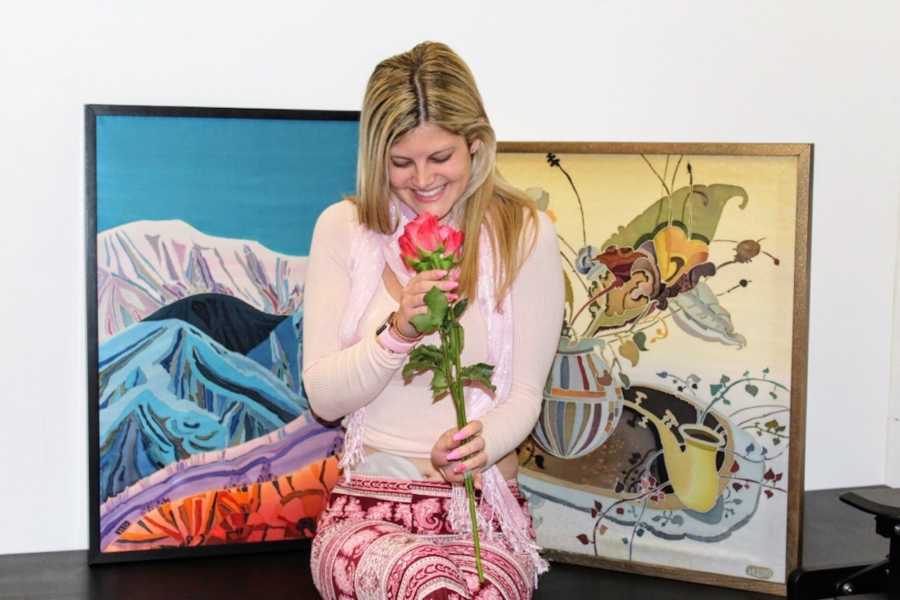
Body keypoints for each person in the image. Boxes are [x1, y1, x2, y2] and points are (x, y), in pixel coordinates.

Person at [303, 41, 564, 600]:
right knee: (427, 589)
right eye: (400, 162)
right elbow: (323, 397)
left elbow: (524, 397)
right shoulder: (342, 229)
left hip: (484, 509)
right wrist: (398, 333)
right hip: (371, 510)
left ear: (476, 145)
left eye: (440, 157)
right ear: (378, 159)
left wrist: (478, 444)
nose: (421, 179)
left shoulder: (528, 233)